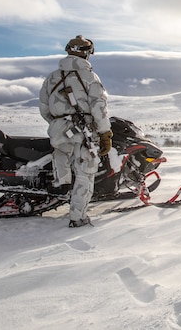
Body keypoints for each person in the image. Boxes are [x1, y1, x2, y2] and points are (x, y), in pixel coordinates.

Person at [39, 35, 113, 227]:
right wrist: (105, 133)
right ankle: (77, 217)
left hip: (58, 132)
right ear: (87, 53)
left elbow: (44, 107)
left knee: (62, 170)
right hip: (83, 131)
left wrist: (58, 124)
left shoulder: (52, 77)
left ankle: (60, 197)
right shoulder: (89, 77)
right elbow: (99, 108)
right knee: (84, 173)